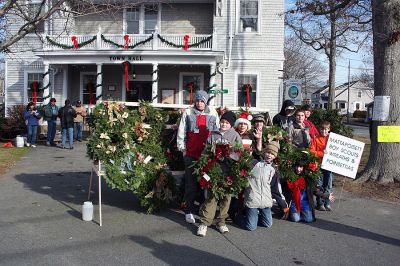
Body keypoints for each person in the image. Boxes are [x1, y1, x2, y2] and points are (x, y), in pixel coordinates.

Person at [177, 90, 219, 224]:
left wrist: (216, 151)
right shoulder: (188, 113)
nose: (200, 103)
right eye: (198, 100)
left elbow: (217, 132)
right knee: (191, 184)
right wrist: (183, 149)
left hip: (207, 156)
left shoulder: (212, 112)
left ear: (206, 101)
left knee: (206, 183)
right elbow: (181, 131)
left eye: (202, 101)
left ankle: (204, 209)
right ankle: (188, 210)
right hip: (191, 154)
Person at [197, 111, 242, 237]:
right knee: (211, 197)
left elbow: (239, 153)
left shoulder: (235, 136)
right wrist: (207, 161)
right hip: (214, 170)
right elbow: (206, 151)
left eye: (227, 123)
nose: (224, 124)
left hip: (228, 171)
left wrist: (229, 154)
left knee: (226, 198)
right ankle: (204, 223)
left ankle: (221, 222)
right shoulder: (213, 135)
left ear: (231, 125)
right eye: (222, 122)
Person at [235, 141, 281, 231]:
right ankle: (238, 217)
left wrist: (283, 204)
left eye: (272, 154)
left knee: (268, 224)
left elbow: (275, 188)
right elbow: (244, 164)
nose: (269, 155)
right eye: (268, 152)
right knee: (251, 227)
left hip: (265, 200)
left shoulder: (273, 170)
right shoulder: (254, 163)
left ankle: (253, 218)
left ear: (275, 156)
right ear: (264, 152)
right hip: (253, 199)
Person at [310, 121, 334, 211]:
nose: (324, 131)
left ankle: (327, 203)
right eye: (322, 129)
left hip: (329, 165)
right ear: (319, 129)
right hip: (319, 165)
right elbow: (311, 151)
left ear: (329, 130)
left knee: (328, 184)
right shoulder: (316, 139)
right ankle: (320, 203)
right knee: (319, 184)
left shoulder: (332, 139)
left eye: (326, 129)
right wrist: (321, 153)